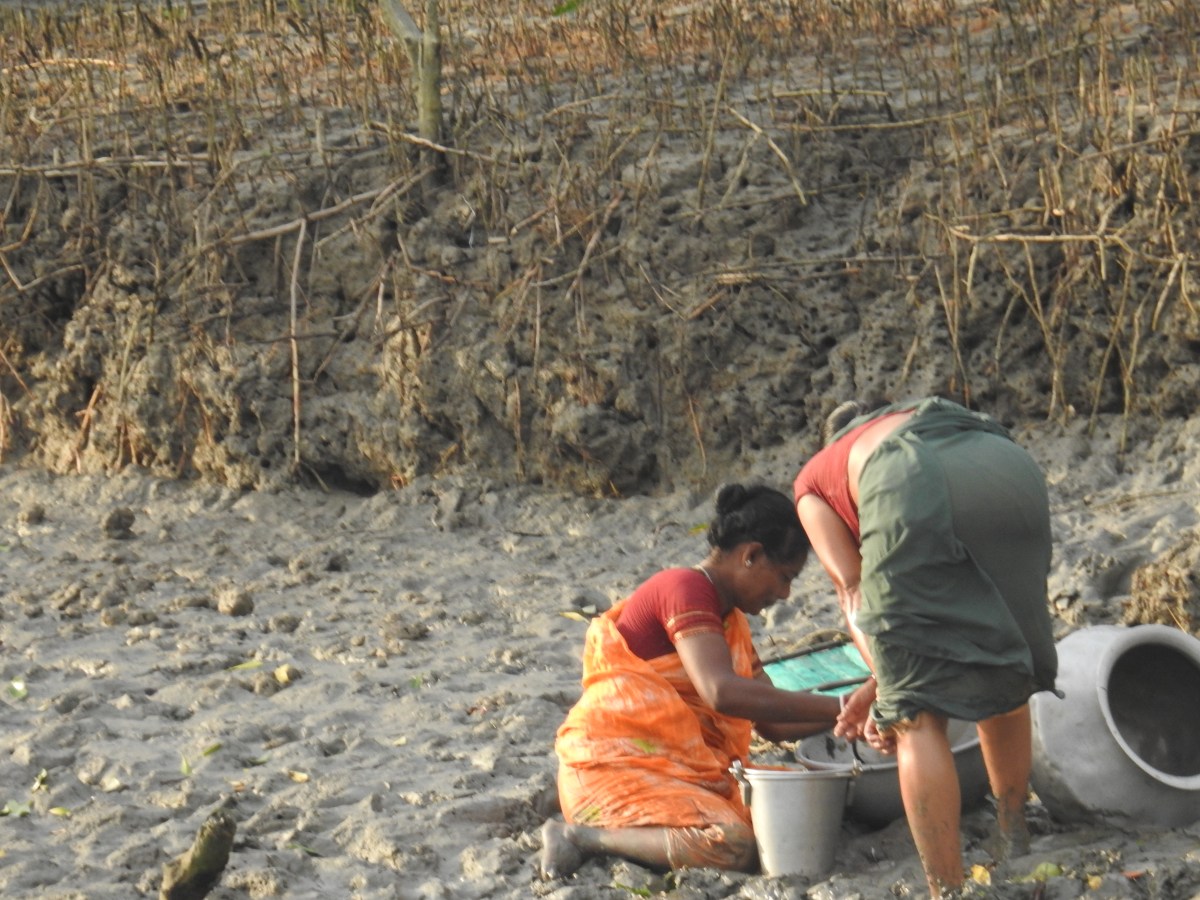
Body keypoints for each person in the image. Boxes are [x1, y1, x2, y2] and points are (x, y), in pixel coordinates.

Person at [794, 396, 1059, 898]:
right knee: (1003, 660)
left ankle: (945, 890)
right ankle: (1014, 833)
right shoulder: (924, 415)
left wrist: (890, 687)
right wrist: (880, 683)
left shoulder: (816, 479)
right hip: (1007, 465)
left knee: (914, 714)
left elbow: (852, 588)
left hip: (910, 481)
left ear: (832, 439)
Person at [540, 483, 868, 879]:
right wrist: (845, 705)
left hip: (676, 771)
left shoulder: (729, 619)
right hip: (612, 771)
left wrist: (860, 714)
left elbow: (774, 724)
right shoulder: (685, 589)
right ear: (751, 555)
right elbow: (721, 692)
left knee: (796, 808)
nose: (784, 594)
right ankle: (582, 836)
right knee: (733, 845)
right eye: (784, 577)